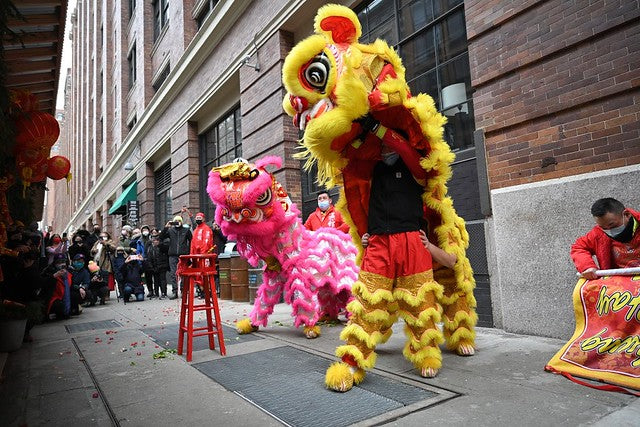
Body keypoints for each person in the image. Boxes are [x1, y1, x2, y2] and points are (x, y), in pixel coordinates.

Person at [570, 198, 640, 279]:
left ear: (627, 215)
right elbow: (579, 247)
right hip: (619, 285)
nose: (609, 230)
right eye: (604, 227)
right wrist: (587, 267)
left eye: (612, 225)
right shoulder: (599, 233)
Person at [159, 215, 193, 299]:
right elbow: (161, 237)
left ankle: (183, 290)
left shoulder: (186, 230)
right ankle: (175, 291)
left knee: (183, 273)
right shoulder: (171, 230)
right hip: (173, 255)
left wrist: (188, 252)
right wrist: (166, 227)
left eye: (179, 220)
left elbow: (191, 240)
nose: (178, 222)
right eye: (176, 221)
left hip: (183, 255)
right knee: (173, 274)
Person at [190, 212, 214, 298]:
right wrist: (192, 255)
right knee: (198, 274)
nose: (198, 220)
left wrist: (203, 254)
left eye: (200, 218)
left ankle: (207, 291)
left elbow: (206, 243)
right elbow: (192, 243)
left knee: (204, 274)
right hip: (196, 256)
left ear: (203, 219)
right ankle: (201, 290)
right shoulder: (196, 230)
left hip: (204, 256)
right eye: (197, 218)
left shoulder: (206, 229)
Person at [42, 254, 73, 320]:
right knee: (59, 305)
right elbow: (44, 285)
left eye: (63, 262)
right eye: (59, 262)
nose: (61, 264)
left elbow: (72, 286)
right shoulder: (49, 271)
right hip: (53, 298)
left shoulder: (69, 272)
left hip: (65, 296)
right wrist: (54, 276)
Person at [91, 231, 117, 296]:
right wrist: (93, 251)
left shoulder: (110, 242)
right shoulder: (97, 243)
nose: (103, 238)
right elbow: (92, 251)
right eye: (101, 236)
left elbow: (113, 248)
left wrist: (105, 244)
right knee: (98, 277)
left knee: (106, 278)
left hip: (106, 262)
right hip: (96, 261)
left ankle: (107, 294)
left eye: (104, 236)